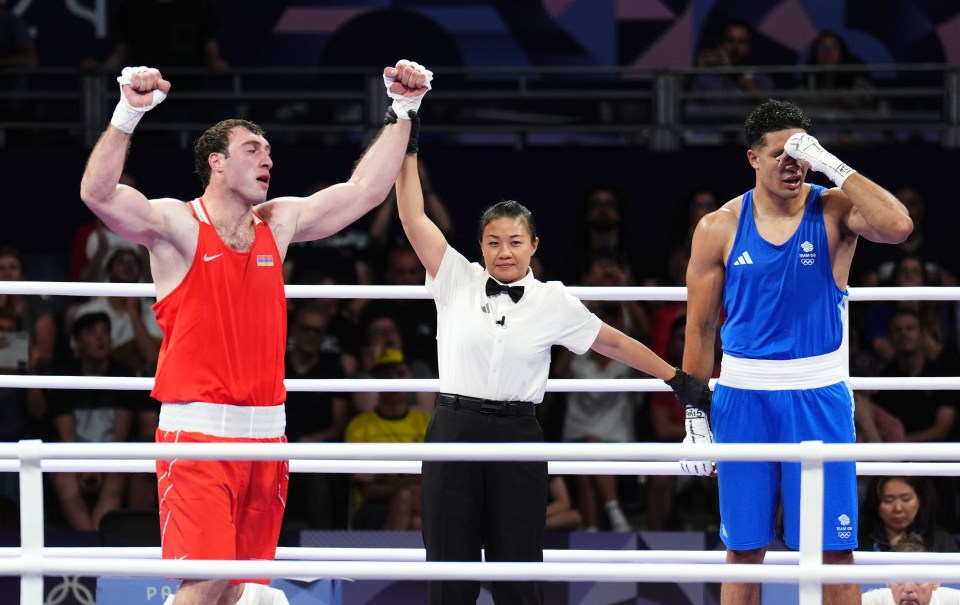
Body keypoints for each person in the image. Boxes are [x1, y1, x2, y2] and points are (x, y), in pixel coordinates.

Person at [78, 60, 432, 605]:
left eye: (269, 152)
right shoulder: (177, 225)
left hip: (267, 438)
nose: (268, 159)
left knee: (241, 590)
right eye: (253, 150)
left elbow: (363, 191)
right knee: (206, 582)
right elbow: (99, 195)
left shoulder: (278, 222)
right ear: (216, 163)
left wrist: (403, 108)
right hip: (197, 436)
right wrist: (127, 114)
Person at [395, 147, 710, 605]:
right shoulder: (454, 277)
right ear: (480, 246)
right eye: (494, 242)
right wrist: (407, 143)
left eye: (515, 241)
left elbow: (614, 342)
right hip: (454, 426)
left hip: (518, 431)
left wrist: (675, 378)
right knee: (448, 564)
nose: (504, 251)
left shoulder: (553, 300)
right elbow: (411, 216)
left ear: (534, 245)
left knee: (519, 565)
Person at [681, 98, 913, 605]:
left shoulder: (833, 209)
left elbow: (898, 228)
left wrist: (833, 166)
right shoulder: (718, 226)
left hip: (819, 394)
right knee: (744, 550)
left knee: (833, 552)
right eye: (781, 154)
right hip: (742, 398)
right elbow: (699, 329)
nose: (793, 164)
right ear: (753, 159)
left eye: (801, 153)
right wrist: (695, 420)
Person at [282, 303, 351, 530]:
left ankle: (321, 545)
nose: (310, 335)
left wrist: (309, 442)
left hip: (314, 450)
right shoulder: (277, 362)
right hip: (274, 447)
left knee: (316, 476)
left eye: (317, 331)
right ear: (294, 329)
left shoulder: (333, 369)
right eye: (305, 328)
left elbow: (339, 423)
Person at [344, 348, 429, 530]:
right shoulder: (359, 425)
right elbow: (367, 489)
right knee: (408, 501)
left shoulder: (426, 422)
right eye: (386, 375)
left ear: (411, 378)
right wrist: (407, 484)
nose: (394, 380)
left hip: (418, 501)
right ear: (375, 381)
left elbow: (431, 479)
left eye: (400, 373)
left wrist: (384, 478)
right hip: (371, 509)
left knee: (416, 519)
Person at [859, 476, 959, 553]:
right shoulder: (859, 540)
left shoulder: (941, 540)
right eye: (888, 500)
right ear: (875, 503)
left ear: (920, 500)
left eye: (906, 499)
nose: (898, 508)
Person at [860, 534, 960, 605]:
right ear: (888, 581)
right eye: (899, 580)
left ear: (936, 582)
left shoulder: (955, 601)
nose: (908, 589)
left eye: (918, 580)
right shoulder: (869, 601)